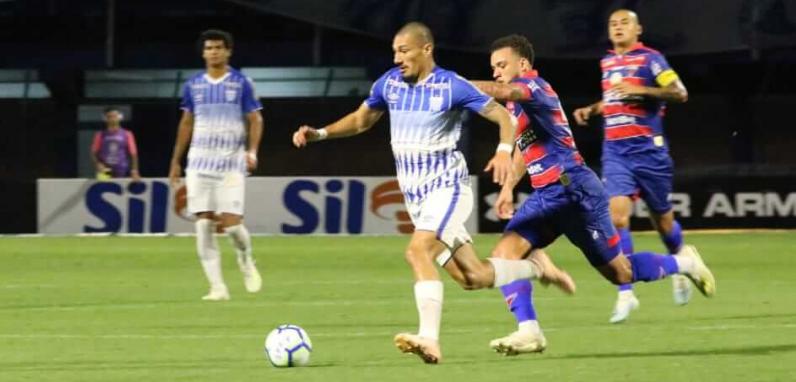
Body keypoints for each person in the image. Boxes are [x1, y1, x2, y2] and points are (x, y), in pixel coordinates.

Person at [292, 22, 575, 364]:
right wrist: (320, 133)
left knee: (417, 252)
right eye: (395, 51)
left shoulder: (451, 85)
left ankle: (429, 338)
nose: (398, 58)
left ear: (426, 49)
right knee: (473, 277)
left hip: (447, 190)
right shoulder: (390, 83)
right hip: (416, 198)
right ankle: (536, 268)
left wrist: (503, 151)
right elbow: (361, 120)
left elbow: (504, 117)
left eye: (405, 50)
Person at [470, 34, 715, 354]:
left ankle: (684, 263)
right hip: (547, 195)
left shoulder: (535, 87)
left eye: (502, 65)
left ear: (524, 64)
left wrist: (452, 83)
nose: (496, 72)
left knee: (620, 272)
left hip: (575, 191)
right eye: (493, 68)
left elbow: (503, 90)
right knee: (505, 254)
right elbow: (524, 146)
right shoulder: (518, 105)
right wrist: (507, 187)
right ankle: (529, 331)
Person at [572, 9, 693, 323]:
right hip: (616, 153)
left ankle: (681, 262)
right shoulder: (608, 62)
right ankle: (626, 293)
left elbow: (679, 93)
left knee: (663, 223)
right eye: (613, 23)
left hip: (650, 155)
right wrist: (594, 108)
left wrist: (644, 90)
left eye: (625, 22)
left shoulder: (652, 60)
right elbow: (614, 99)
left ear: (639, 28)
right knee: (616, 216)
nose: (618, 27)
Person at [168, 29, 263, 301]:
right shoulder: (193, 85)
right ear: (203, 52)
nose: (214, 52)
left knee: (232, 226)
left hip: (231, 163)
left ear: (228, 51)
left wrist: (253, 151)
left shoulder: (241, 83)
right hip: (199, 163)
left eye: (219, 47)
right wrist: (176, 161)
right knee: (203, 224)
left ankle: (245, 259)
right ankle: (217, 287)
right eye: (209, 48)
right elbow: (186, 123)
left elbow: (255, 119)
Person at [91, 106, 141, 181]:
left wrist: (134, 170)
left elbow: (133, 154)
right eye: (109, 117)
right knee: (104, 186)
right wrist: (98, 164)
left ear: (120, 117)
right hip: (105, 169)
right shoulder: (100, 135)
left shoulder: (127, 134)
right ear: (105, 119)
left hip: (122, 169)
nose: (112, 119)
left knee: (122, 190)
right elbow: (93, 153)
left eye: (114, 116)